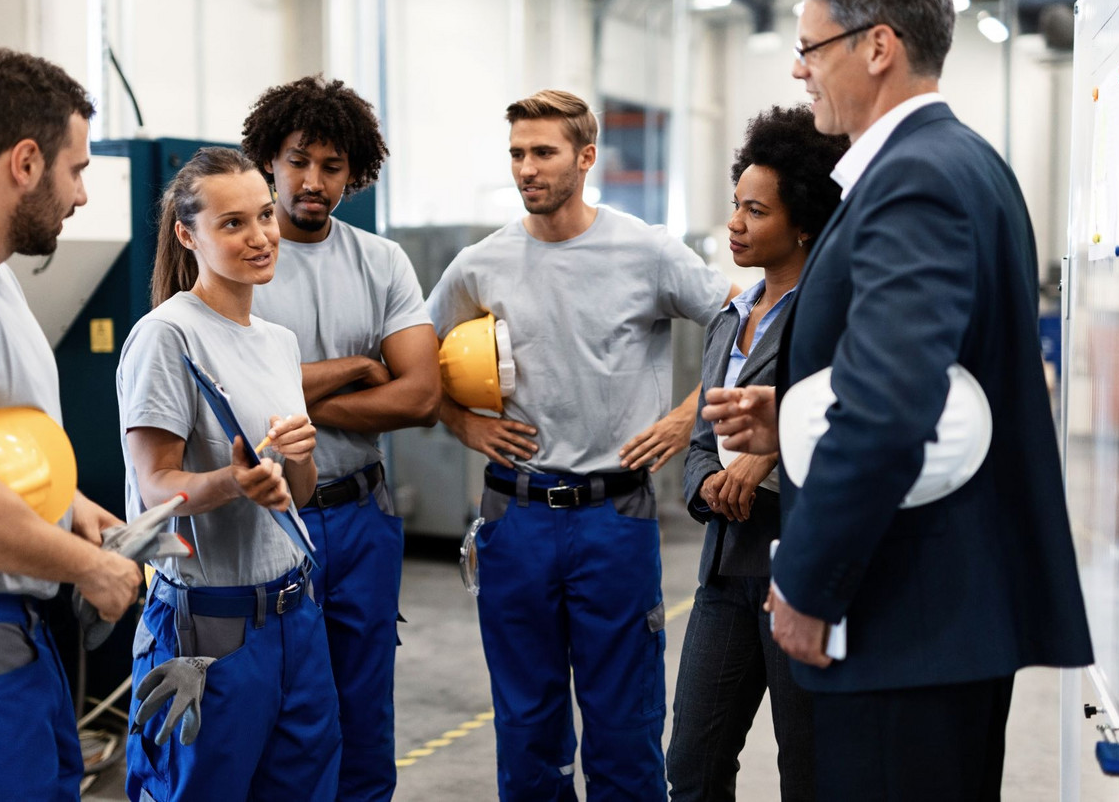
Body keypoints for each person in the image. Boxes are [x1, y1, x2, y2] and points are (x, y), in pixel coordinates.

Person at [701, 0, 1093, 801]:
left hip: (906, 617)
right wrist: (793, 412)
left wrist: (809, 581)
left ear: (877, 47)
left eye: (811, 49)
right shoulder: (960, 163)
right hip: (936, 619)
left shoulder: (914, 179)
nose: (802, 75)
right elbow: (924, 374)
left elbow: (889, 406)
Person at [427, 89, 734, 801]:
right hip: (516, 516)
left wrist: (693, 415)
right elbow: (410, 357)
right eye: (516, 153)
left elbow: (742, 322)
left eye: (543, 152)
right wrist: (464, 423)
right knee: (527, 725)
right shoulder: (482, 264)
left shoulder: (646, 250)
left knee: (624, 726)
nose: (526, 168)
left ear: (586, 157)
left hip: (613, 517)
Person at [118, 147, 340, 802]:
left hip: (295, 615)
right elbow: (155, 488)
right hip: (210, 627)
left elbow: (298, 493)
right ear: (188, 234)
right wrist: (231, 483)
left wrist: (297, 454)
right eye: (233, 223)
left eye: (265, 215)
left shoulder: (279, 342)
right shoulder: (168, 336)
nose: (261, 236)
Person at [242, 74, 441, 802]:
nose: (312, 180)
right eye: (298, 160)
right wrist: (359, 368)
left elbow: (420, 395)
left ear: (354, 170)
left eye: (331, 165)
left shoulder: (380, 260)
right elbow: (231, 398)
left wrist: (286, 393)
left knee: (364, 715)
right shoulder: (243, 258)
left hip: (363, 520)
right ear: (269, 159)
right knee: (282, 713)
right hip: (269, 523)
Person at [0, 47, 143, 801]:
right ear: (26, 162)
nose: (84, 195)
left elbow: (4, 455)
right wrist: (91, 567)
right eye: (78, 170)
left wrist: (69, 508)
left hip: (9, 626)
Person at [668, 106, 848, 802]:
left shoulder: (829, 317)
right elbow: (700, 435)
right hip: (724, 564)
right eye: (735, 205)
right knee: (694, 759)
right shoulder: (729, 315)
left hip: (794, 556)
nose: (736, 223)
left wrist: (765, 466)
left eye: (755, 210)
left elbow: (842, 427)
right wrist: (709, 480)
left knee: (806, 764)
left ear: (802, 221)